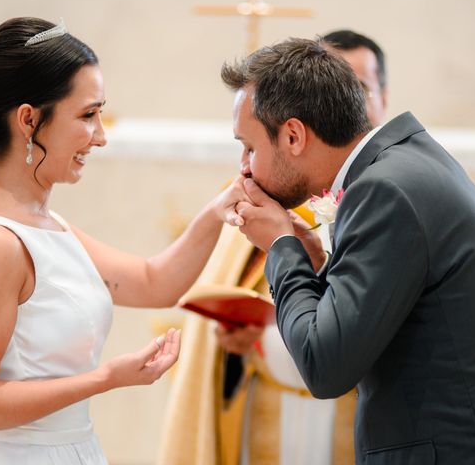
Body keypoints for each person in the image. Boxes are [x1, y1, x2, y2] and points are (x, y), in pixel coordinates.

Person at [0, 17, 249, 464]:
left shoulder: (47, 224)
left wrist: (219, 209)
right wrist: (105, 378)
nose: (101, 137)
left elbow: (152, 282)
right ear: (28, 119)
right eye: (87, 115)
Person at [225, 37, 475, 463]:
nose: (244, 166)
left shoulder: (383, 190)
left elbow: (325, 366)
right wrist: (317, 258)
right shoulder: (406, 164)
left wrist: (280, 247)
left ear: (294, 135)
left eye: (250, 147)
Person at [157, 30, 388, 465]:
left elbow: (370, 332)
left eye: (358, 89)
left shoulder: (386, 198)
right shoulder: (269, 193)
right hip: (270, 417)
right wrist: (247, 339)